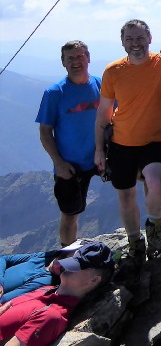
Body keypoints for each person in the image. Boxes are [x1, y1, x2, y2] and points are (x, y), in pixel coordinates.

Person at [94, 20, 161, 264]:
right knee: (126, 196)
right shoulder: (113, 71)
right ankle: (135, 242)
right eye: (129, 39)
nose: (135, 44)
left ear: (149, 38)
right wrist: (99, 149)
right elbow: (103, 114)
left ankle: (155, 230)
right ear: (122, 42)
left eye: (140, 38)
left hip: (154, 139)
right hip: (121, 142)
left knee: (156, 184)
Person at [35, 41, 102, 247]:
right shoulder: (55, 92)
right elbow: (45, 132)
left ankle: (154, 222)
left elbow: (114, 117)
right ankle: (68, 255)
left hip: (100, 157)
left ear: (88, 58)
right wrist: (59, 163)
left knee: (137, 178)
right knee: (70, 213)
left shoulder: (100, 85)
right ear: (63, 62)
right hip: (70, 165)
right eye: (70, 58)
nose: (76, 62)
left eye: (80, 56)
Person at [0, 242, 114, 346]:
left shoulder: (52, 316)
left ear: (93, 280)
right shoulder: (46, 289)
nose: (67, 267)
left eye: (77, 265)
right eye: (72, 260)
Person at [0, 241, 88, 304]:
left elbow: (4, 300)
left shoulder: (45, 282)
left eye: (64, 267)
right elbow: (3, 258)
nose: (57, 265)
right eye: (62, 257)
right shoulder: (46, 257)